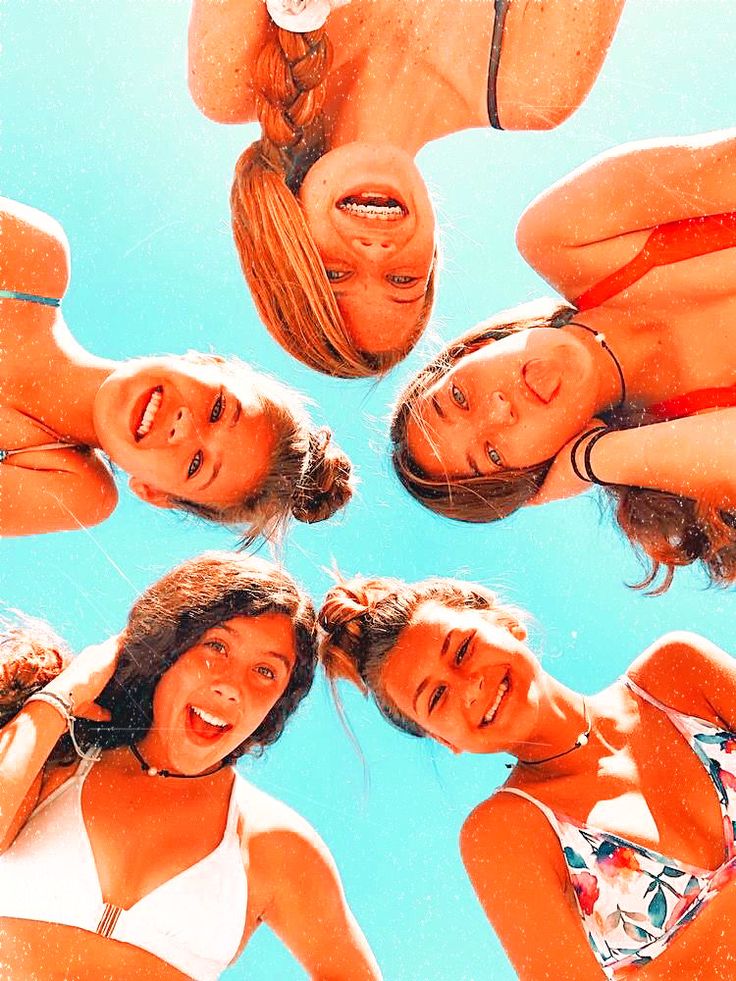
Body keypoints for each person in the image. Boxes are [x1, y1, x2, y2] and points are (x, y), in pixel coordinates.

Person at [318, 572, 736, 980]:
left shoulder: (677, 675)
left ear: (507, 625)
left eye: (462, 650)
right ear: (446, 741)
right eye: (437, 696)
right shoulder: (505, 833)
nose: (470, 687)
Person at [188, 0, 625, 377]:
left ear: (287, 240)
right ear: (431, 252)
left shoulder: (234, 77)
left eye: (336, 274)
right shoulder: (538, 82)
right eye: (401, 279)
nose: (375, 252)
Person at [0, 551, 381, 981]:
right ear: (168, 646)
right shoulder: (56, 761)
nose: (232, 686)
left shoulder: (270, 843)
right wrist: (63, 696)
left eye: (265, 671)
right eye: (216, 646)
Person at [391, 128, 736, 591]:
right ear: (543, 467)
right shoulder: (696, 452)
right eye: (493, 453)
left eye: (458, 395)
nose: (499, 409)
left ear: (473, 351)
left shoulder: (562, 237)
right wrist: (593, 458)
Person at [0, 197, 353, 538]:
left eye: (196, 464)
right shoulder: (31, 260)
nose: (184, 429)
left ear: (153, 493)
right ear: (205, 361)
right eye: (217, 409)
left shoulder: (77, 490)